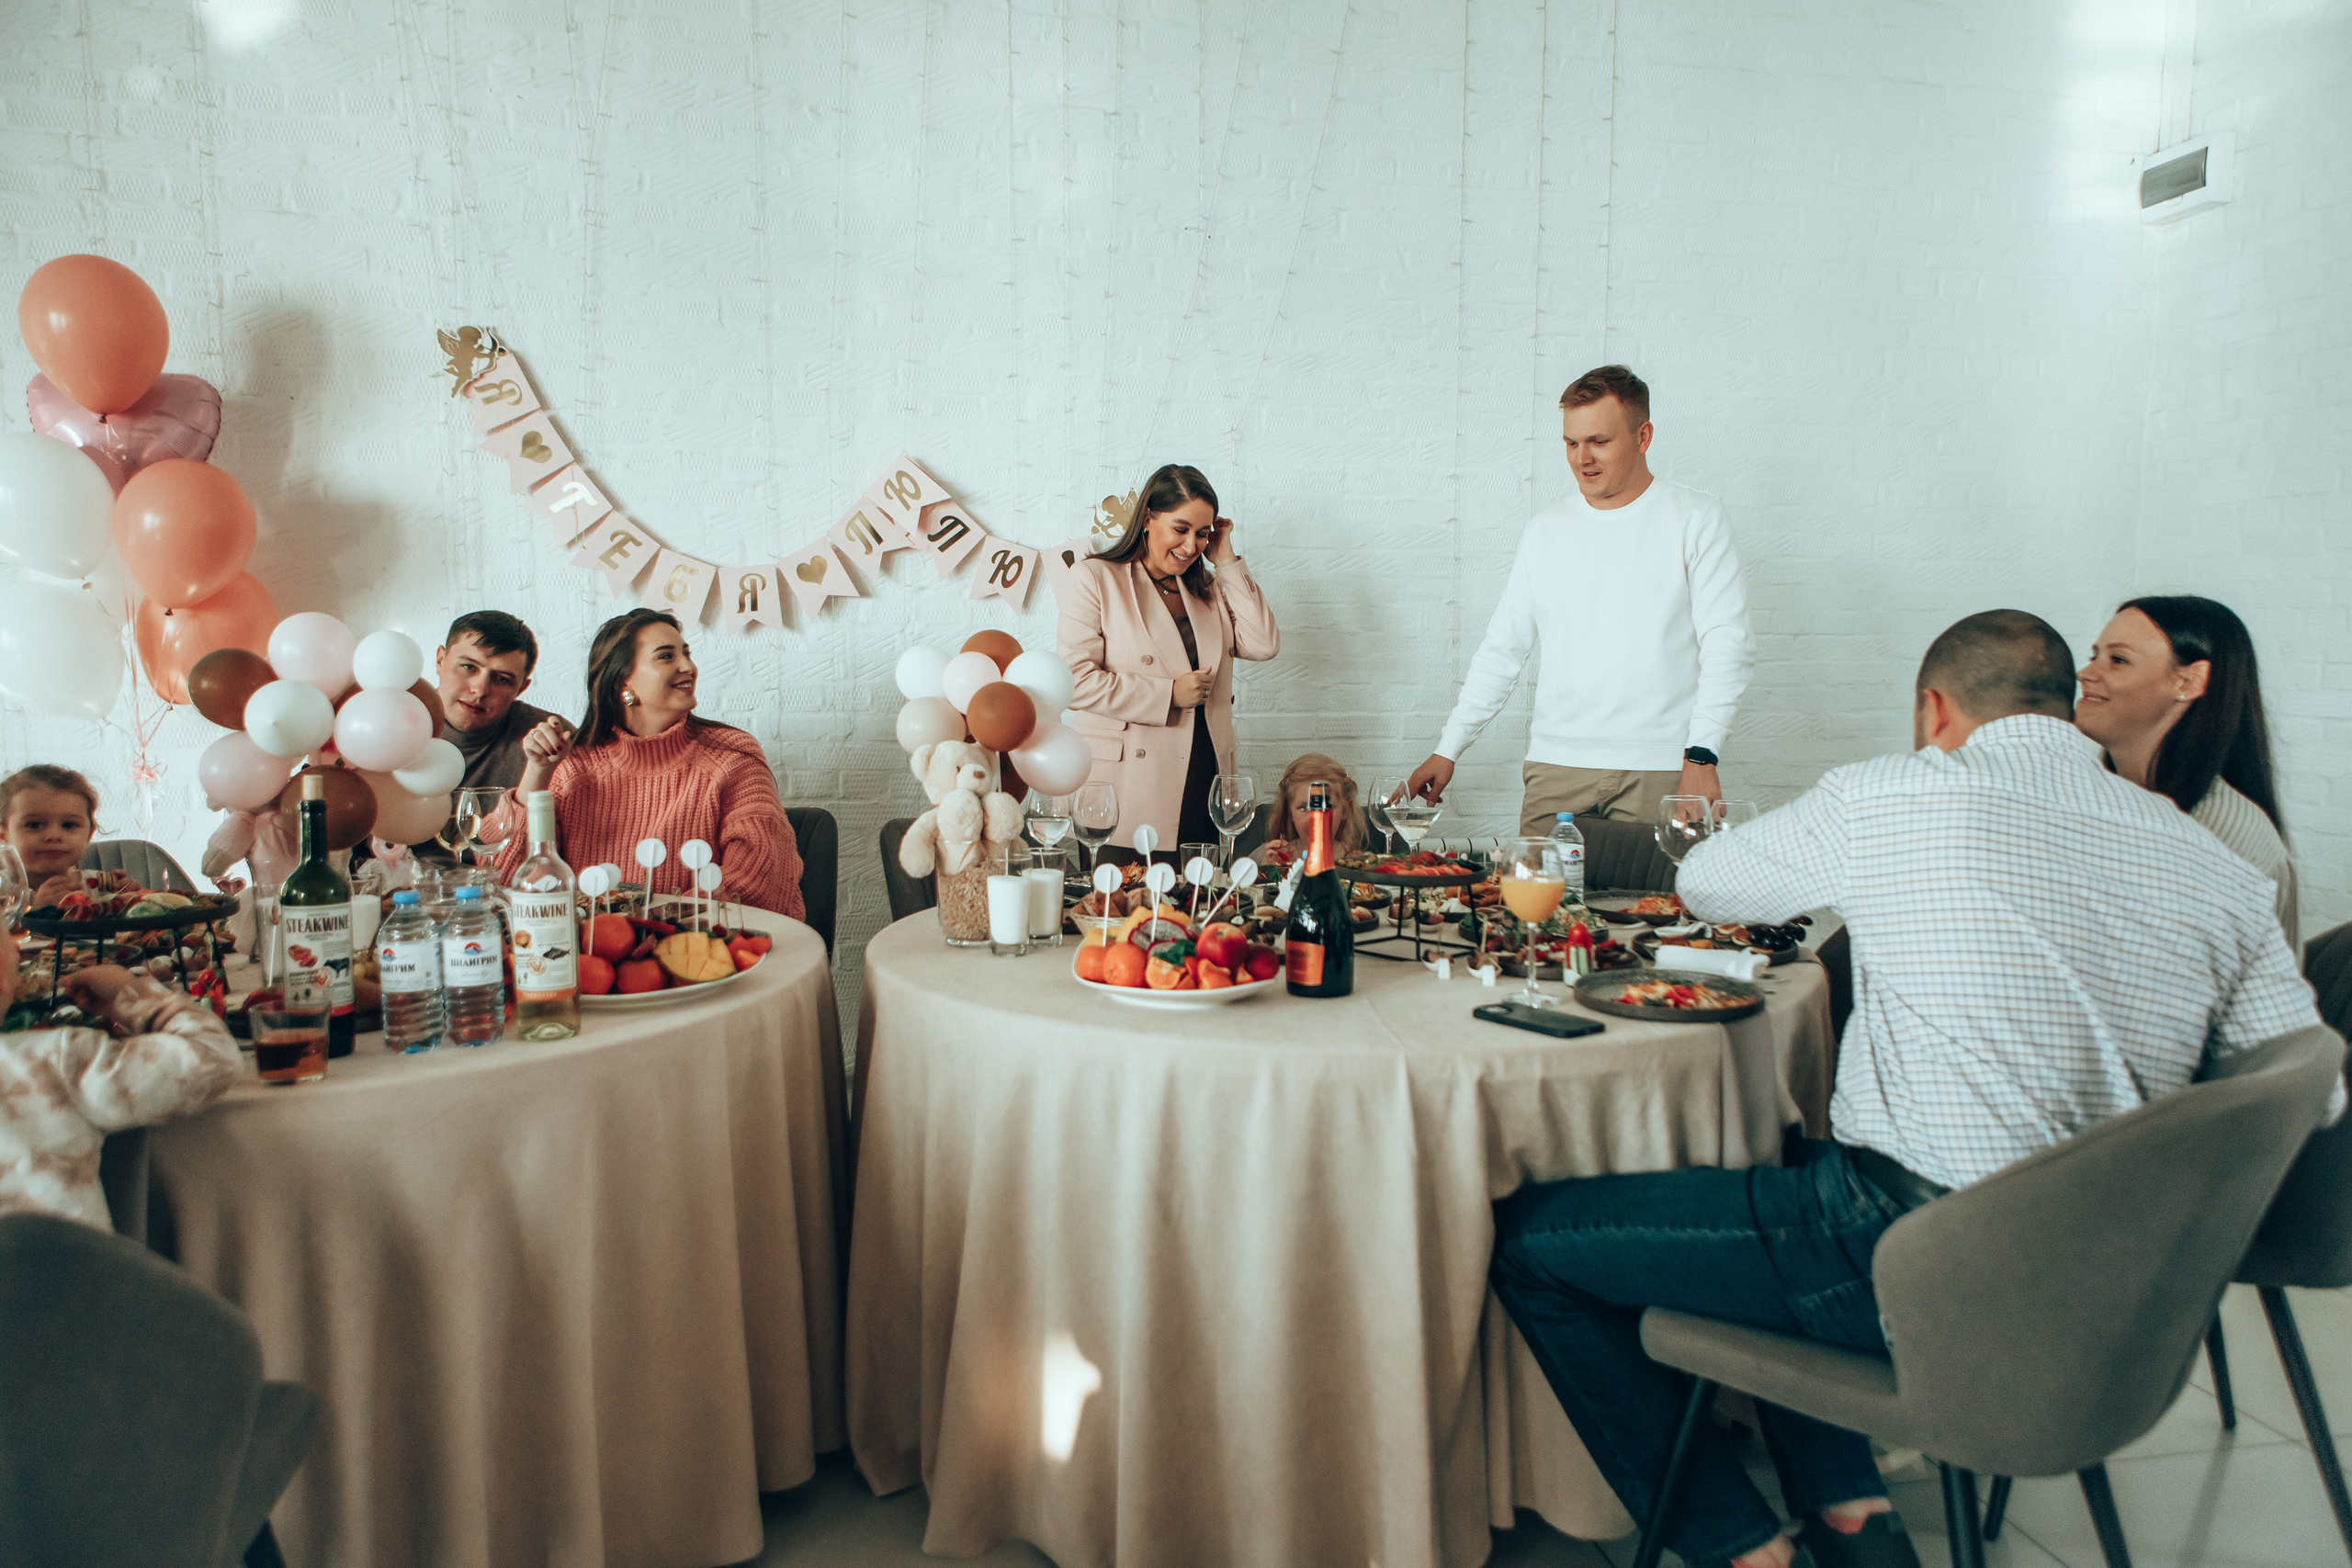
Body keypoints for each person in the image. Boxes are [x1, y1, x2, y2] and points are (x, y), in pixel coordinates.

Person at [1487, 609, 2324, 1568]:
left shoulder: (1893, 796)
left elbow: (1711, 883)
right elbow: (2304, 1085)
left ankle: (1735, 1544)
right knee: (1781, 1156)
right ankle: (1850, 1512)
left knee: (1531, 1244)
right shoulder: (2214, 865)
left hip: (1919, 1262)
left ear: (1934, 710)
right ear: (2065, 709)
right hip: (2130, 1293)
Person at [1405, 366, 1754, 834]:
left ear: (1643, 436)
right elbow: (1503, 649)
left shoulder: (1696, 519)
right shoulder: (1544, 532)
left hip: (1662, 770)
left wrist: (1702, 755)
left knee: (1658, 908)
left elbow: (1727, 643)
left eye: (1599, 441)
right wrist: (1449, 748)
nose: (1582, 458)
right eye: (1571, 443)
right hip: (1556, 767)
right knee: (1537, 907)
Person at [493, 609, 804, 920]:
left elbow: (756, 876)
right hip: (592, 958)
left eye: (686, 653)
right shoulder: (573, 766)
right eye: (666, 656)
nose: (689, 667)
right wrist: (537, 772)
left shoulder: (731, 755)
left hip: (696, 952)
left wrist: (648, 928)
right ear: (622, 680)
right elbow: (505, 884)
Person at [1056, 464, 1280, 849]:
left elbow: (1263, 643)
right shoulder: (1096, 578)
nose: (1191, 546)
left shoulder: (1207, 588)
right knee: (1122, 903)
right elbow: (1074, 682)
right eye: (1180, 529)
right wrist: (1168, 695)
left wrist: (1225, 559)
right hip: (1125, 782)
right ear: (1147, 518)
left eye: (1202, 534)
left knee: (1197, 903)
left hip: (1202, 771)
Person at [2076, 594, 2297, 946]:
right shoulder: (2097, 799)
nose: (2085, 673)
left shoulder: (2223, 839)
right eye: (2094, 656)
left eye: (2118, 660)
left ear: (2189, 683)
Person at [0, 928, 242, 1230]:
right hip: (73, 1274)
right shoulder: (54, 1061)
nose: (19, 952)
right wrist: (134, 995)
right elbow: (213, 1058)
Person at [417, 610, 563, 863]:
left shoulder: (547, 740)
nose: (480, 689)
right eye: (468, 667)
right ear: (440, 660)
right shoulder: (392, 723)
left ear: (522, 688)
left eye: (502, 679)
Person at [3, 765, 106, 909]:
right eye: (34, 825)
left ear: (89, 834)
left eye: (69, 825)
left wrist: (130, 902)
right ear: (3, 835)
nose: (53, 836)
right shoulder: (4, 893)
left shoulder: (99, 888)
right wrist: (38, 912)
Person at [1255, 754, 1369, 860]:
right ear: (1289, 813)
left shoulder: (1357, 862)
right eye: (1304, 808)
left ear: (1345, 810)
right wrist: (1273, 870)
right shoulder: (1269, 856)